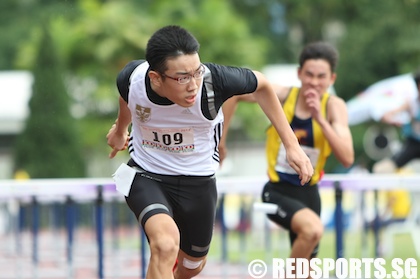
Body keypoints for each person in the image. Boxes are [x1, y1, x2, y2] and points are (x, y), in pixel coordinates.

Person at [106, 25, 313, 279]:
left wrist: (292, 146)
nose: (193, 85)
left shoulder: (214, 81)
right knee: (165, 244)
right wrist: (120, 129)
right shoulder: (132, 78)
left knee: (192, 267)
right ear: (156, 78)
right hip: (148, 174)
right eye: (182, 77)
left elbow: (262, 86)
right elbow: (126, 97)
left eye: (197, 72)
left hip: (198, 181)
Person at [222, 41, 354, 272]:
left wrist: (320, 119)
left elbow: (347, 158)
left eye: (321, 76)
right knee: (312, 230)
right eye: (309, 75)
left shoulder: (334, 107)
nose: (314, 82)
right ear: (299, 73)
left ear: (331, 79)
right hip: (277, 189)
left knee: (307, 272)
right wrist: (220, 142)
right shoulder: (283, 96)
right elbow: (234, 92)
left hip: (310, 193)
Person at [372, 70, 420, 173]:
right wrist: (392, 120)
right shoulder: (412, 102)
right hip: (413, 143)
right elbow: (389, 114)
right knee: (385, 168)